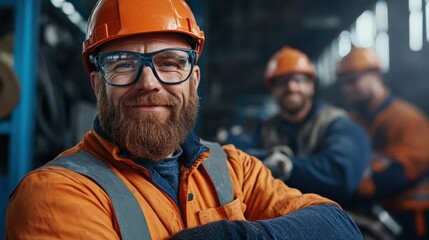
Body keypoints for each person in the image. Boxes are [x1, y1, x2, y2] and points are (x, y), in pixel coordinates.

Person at [5, 0, 363, 239]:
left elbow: (339, 227)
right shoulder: (54, 193)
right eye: (124, 64)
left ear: (194, 79)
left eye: (170, 63)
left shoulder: (235, 167)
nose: (148, 83)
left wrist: (235, 235)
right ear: (98, 82)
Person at [231, 46, 371, 203]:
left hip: (332, 214)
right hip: (276, 215)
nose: (291, 87)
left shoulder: (337, 124)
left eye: (299, 80)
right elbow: (239, 157)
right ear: (273, 89)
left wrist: (287, 166)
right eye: (282, 82)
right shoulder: (265, 128)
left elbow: (341, 176)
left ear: (311, 86)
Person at [337, 47, 429, 239]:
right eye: (344, 83)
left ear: (377, 76)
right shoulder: (354, 120)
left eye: (353, 81)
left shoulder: (406, 119)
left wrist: (345, 182)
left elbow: (397, 173)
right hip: (377, 212)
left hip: (412, 219)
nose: (346, 89)